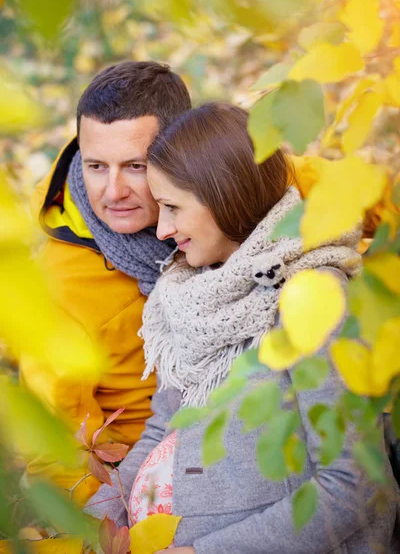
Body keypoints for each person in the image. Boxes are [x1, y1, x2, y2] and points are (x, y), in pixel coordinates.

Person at [86, 102, 399, 552]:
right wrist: (88, 523)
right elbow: (164, 426)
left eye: (173, 207)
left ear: (223, 198)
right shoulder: (190, 293)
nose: (163, 230)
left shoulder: (310, 298)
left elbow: (355, 483)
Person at [20, 61, 191, 503]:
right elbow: (59, 453)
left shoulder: (221, 182)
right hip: (147, 481)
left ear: (184, 152)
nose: (112, 192)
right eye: (96, 166)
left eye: (135, 166)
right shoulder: (61, 287)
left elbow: (335, 192)